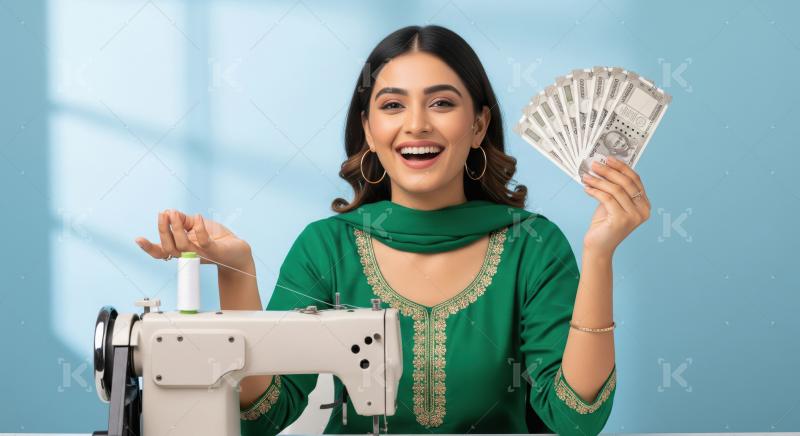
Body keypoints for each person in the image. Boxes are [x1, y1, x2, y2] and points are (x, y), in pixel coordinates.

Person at [135, 25, 651, 435]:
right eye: (393, 105)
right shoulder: (327, 247)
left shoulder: (532, 246)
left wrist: (600, 255)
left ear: (477, 125)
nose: (417, 124)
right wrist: (236, 272)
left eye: (443, 103)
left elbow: (577, 420)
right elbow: (264, 416)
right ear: (369, 129)